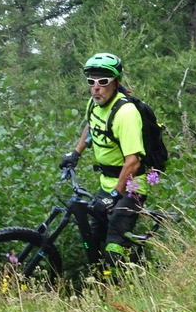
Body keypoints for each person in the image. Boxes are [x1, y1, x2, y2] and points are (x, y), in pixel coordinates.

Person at [59, 52, 150, 267]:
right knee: (93, 237)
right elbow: (92, 127)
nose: (96, 87)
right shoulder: (95, 103)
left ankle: (122, 286)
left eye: (103, 81)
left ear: (116, 82)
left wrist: (114, 195)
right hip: (107, 183)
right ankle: (103, 281)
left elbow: (133, 162)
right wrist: (76, 153)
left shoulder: (126, 113)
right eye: (91, 81)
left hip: (130, 187)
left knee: (113, 249)